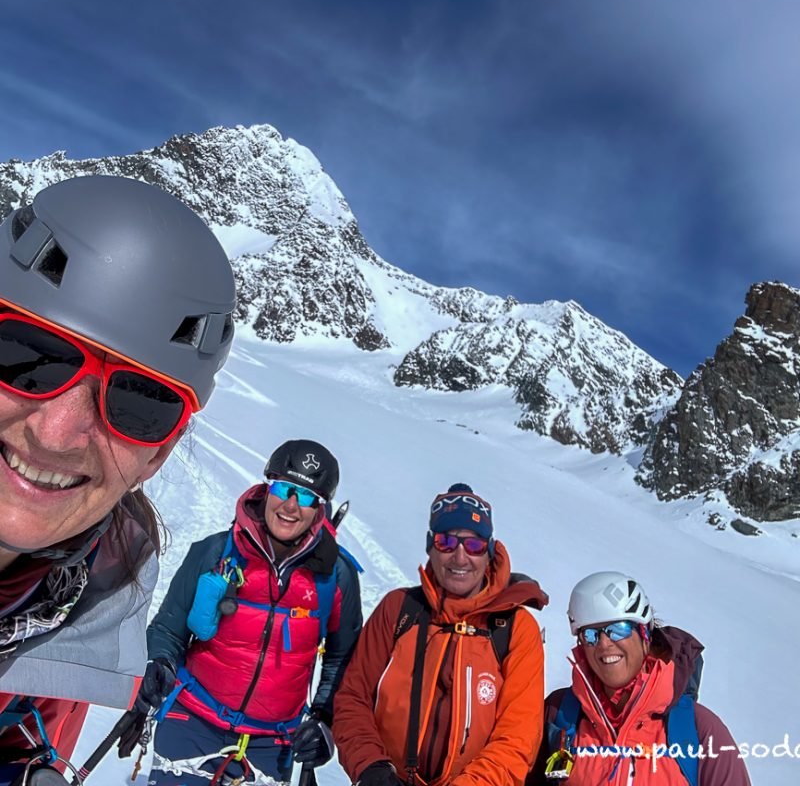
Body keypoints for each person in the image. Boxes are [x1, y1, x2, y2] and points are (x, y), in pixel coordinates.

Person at [0, 175, 236, 782]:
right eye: (29, 355)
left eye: (140, 403)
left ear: (157, 456)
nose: (56, 434)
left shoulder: (73, 621)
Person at [140, 439, 363, 785]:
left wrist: (324, 718)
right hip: (192, 724)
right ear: (267, 487)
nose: (291, 505)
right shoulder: (214, 551)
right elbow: (169, 629)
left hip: (271, 746)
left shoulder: (336, 577)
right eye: (285, 489)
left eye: (306, 497)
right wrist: (161, 663)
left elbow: (342, 661)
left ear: (320, 509)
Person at [334, 483, 548, 786]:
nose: (460, 557)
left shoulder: (514, 629)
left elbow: (518, 737)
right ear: (430, 546)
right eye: (446, 542)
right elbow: (352, 698)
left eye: (473, 545)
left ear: (489, 551)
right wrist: (371, 767)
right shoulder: (400, 610)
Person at [529, 571, 751, 785]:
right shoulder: (559, 714)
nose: (604, 644)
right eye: (590, 634)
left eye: (619, 628)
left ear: (645, 634)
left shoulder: (699, 729)